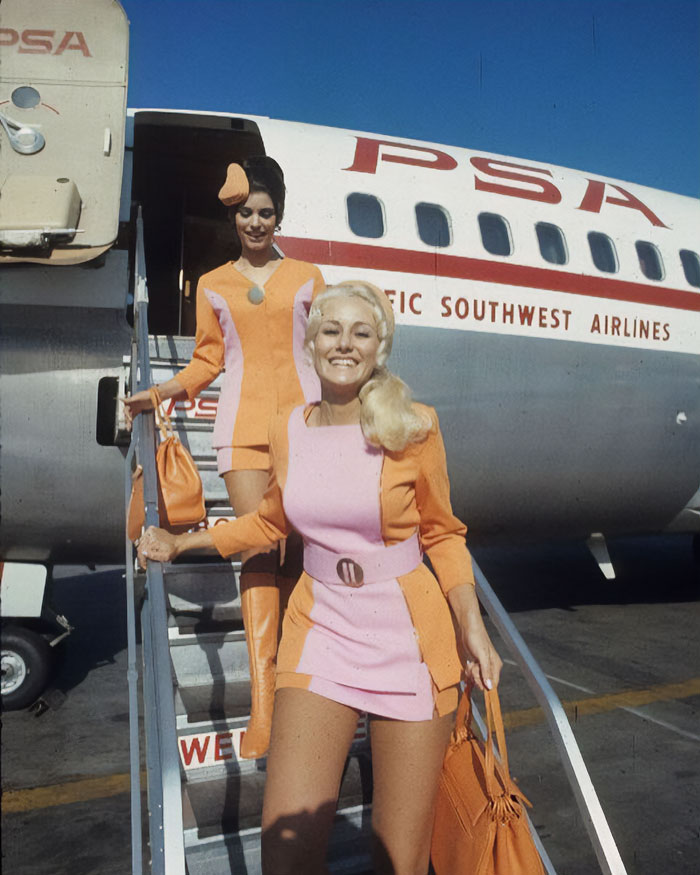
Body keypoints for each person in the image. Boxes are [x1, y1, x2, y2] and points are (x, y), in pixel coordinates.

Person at [136, 280, 502, 875]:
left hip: (408, 639)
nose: (345, 344)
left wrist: (472, 628)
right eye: (332, 330)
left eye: (362, 333)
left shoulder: (413, 426)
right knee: (284, 849)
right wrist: (184, 542)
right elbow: (269, 522)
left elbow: (443, 534)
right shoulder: (291, 429)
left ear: (379, 347)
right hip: (321, 628)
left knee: (399, 860)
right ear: (311, 341)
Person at [123, 156, 325, 759]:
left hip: (306, 428)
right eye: (245, 213)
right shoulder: (212, 283)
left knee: (300, 555)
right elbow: (208, 362)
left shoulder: (311, 278)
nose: (256, 223)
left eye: (265, 213)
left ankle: (300, 689)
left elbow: (333, 351)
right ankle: (265, 705)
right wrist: (157, 393)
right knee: (258, 551)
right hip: (240, 431)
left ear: (279, 216)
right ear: (233, 217)